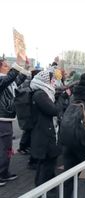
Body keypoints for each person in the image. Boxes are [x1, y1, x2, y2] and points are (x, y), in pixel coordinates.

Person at [30, 70, 66, 187]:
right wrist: (62, 97)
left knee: (47, 163)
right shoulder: (40, 94)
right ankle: (43, 190)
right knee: (46, 165)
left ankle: (45, 188)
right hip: (44, 134)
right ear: (45, 81)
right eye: (52, 80)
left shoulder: (44, 92)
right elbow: (53, 110)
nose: (54, 82)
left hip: (46, 132)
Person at [0, 56, 30, 187]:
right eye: (6, 66)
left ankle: (4, 172)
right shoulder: (2, 80)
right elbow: (11, 78)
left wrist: (25, 66)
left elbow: (18, 79)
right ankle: (1, 173)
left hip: (7, 118)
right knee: (3, 148)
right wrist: (17, 64)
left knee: (7, 148)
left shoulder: (7, 80)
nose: (8, 68)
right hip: (2, 119)